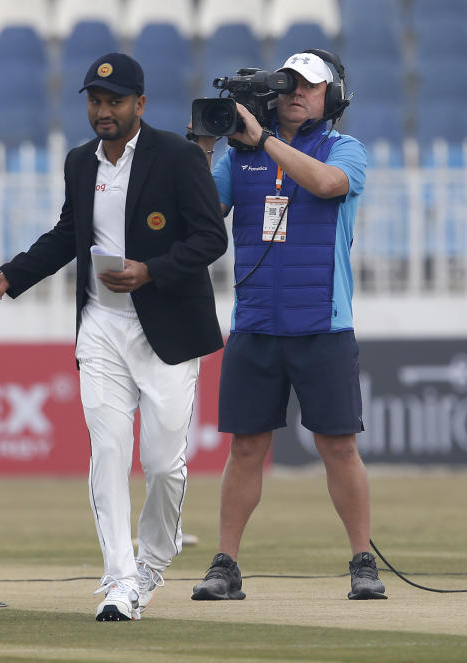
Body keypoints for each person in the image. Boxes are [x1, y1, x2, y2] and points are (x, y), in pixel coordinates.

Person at [0, 53, 227, 621]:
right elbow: (69, 233)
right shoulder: (79, 161)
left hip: (167, 329)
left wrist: (150, 270)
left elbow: (212, 239)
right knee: (108, 452)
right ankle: (119, 578)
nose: (103, 111)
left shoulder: (180, 157)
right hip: (102, 327)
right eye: (95, 101)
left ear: (140, 103)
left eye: (115, 101)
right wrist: (7, 277)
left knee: (163, 465)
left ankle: (153, 564)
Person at [188, 50, 386, 601]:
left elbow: (326, 184)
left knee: (338, 447)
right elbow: (203, 211)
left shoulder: (346, 149)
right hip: (254, 323)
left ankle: (362, 562)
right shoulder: (238, 156)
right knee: (245, 449)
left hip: (322, 323)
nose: (297, 93)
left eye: (310, 86)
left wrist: (263, 142)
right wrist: (202, 149)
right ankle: (226, 565)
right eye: (289, 84)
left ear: (333, 95)